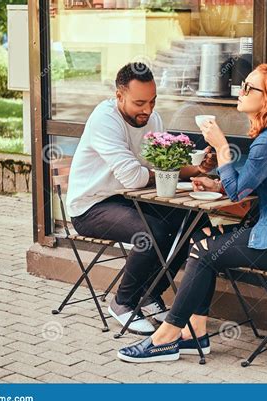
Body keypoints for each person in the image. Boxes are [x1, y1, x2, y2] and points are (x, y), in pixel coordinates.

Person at [117, 63, 267, 362]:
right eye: (242, 84)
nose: (240, 91)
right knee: (202, 237)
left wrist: (222, 148)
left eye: (248, 88)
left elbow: (240, 192)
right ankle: (196, 334)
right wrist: (218, 184)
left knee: (203, 251)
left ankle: (165, 337)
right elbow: (245, 185)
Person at [66, 63, 216, 335]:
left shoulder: (152, 119)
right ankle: (123, 302)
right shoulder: (105, 120)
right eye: (139, 102)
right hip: (92, 205)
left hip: (129, 200)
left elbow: (161, 166)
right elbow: (134, 177)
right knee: (151, 232)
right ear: (119, 96)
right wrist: (159, 171)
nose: (147, 110)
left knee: (193, 220)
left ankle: (150, 294)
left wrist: (196, 169)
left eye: (152, 101)